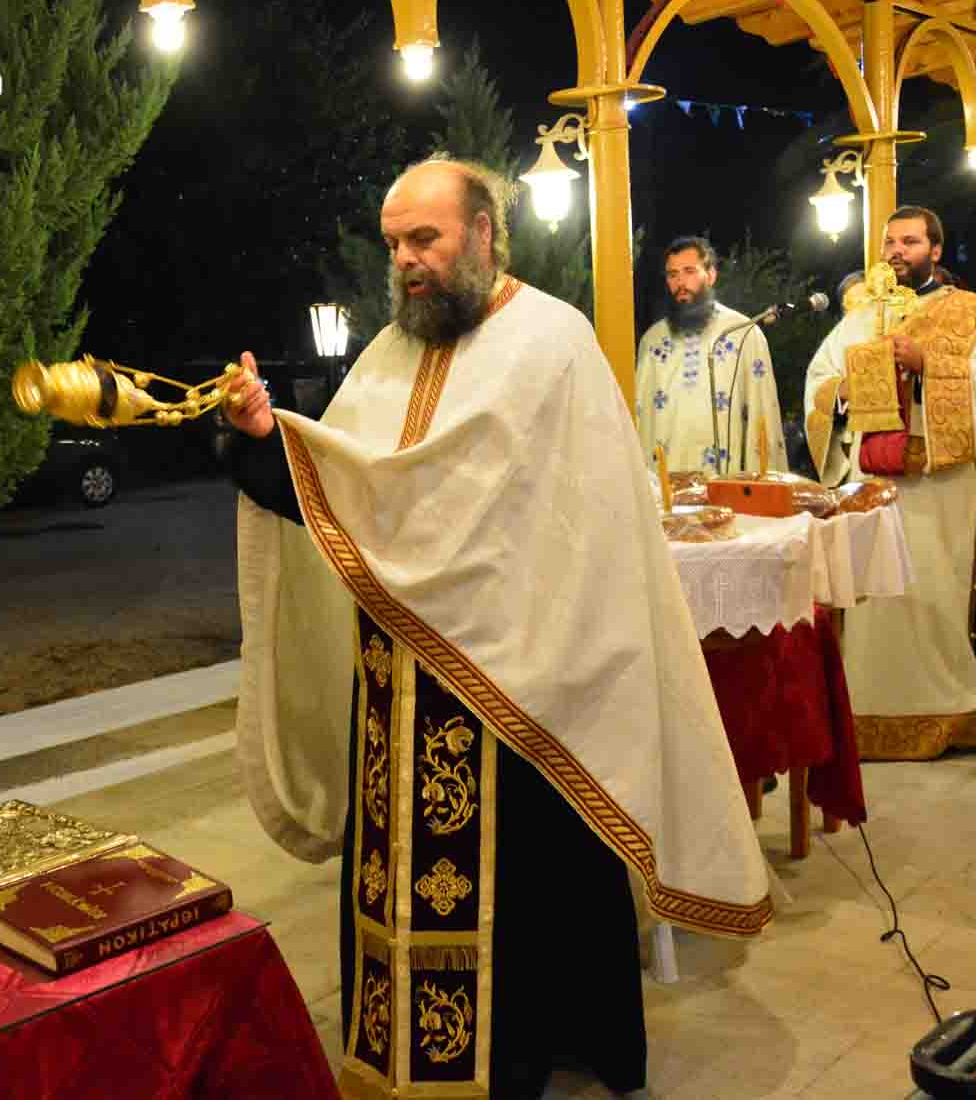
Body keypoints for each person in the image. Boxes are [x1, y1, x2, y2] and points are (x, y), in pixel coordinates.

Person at [222, 156, 771, 1099]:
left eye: (423, 239)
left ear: (481, 233)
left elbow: (590, 526)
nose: (405, 260)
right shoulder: (387, 354)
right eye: (394, 243)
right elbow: (345, 491)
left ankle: (524, 1054)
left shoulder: (554, 342)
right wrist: (266, 437)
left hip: (526, 688)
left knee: (535, 890)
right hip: (399, 685)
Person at [803, 206, 976, 759]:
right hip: (872, 481)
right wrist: (842, 392)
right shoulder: (860, 316)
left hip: (938, 487)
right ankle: (862, 710)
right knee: (874, 598)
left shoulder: (972, 313)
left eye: (911, 241)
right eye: (891, 242)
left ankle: (948, 711)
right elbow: (819, 378)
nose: (898, 251)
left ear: (935, 250)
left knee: (932, 589)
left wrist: (928, 362)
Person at [634, 236, 786, 474]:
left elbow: (762, 411)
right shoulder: (652, 341)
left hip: (727, 481)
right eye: (672, 274)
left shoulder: (742, 332)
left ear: (711, 275)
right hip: (668, 481)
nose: (680, 282)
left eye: (689, 271)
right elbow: (642, 419)